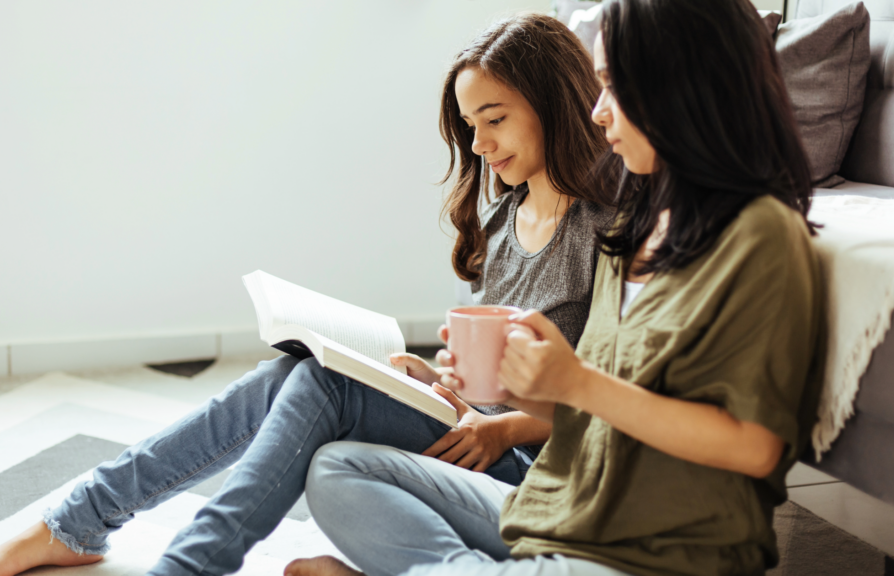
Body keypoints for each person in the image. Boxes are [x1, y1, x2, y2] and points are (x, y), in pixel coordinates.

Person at [0, 13, 617, 576]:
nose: (478, 144)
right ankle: (85, 523)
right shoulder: (502, 219)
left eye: (493, 119)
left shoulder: (609, 229)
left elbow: (614, 393)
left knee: (320, 388)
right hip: (469, 432)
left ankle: (148, 548)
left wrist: (507, 424)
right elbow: (492, 375)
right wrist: (437, 382)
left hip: (536, 460)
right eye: (470, 125)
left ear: (552, 101)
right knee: (301, 376)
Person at [288, 0, 825, 575]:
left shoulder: (761, 235)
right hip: (566, 507)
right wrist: (527, 390)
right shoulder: (641, 227)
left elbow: (754, 447)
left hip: (656, 549)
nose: (596, 113)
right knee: (338, 470)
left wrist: (576, 383)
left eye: (614, 87)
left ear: (683, 87)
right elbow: (598, 407)